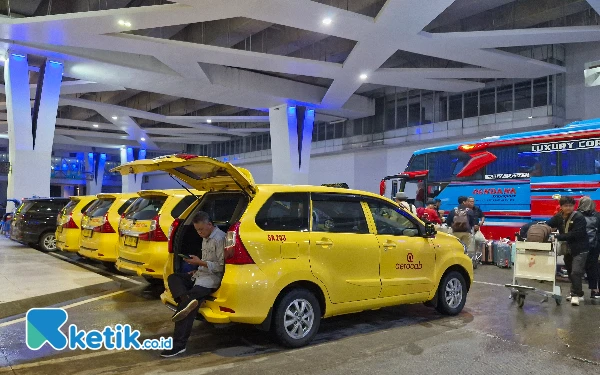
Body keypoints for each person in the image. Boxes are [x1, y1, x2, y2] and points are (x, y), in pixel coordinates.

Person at [161, 211, 226, 357]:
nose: (199, 233)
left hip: (210, 280)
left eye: (201, 229)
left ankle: (178, 345)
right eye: (197, 230)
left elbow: (221, 267)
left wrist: (200, 262)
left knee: (187, 304)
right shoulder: (206, 237)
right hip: (199, 274)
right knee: (174, 278)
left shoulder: (220, 239)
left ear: (210, 225)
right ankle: (186, 301)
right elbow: (206, 261)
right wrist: (196, 267)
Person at [546, 196, 589, 306]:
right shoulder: (559, 217)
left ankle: (575, 295)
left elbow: (576, 234)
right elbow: (548, 223)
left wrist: (558, 237)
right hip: (568, 249)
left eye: (570, 205)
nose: (568, 208)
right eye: (566, 205)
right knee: (570, 272)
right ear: (561, 206)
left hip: (580, 249)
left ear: (574, 206)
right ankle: (578, 293)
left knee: (576, 272)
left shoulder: (579, 217)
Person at [577, 196, 600, 299]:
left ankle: (576, 292)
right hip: (594, 246)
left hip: (579, 246)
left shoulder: (576, 215)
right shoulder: (598, 215)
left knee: (577, 269)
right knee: (593, 268)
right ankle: (594, 290)